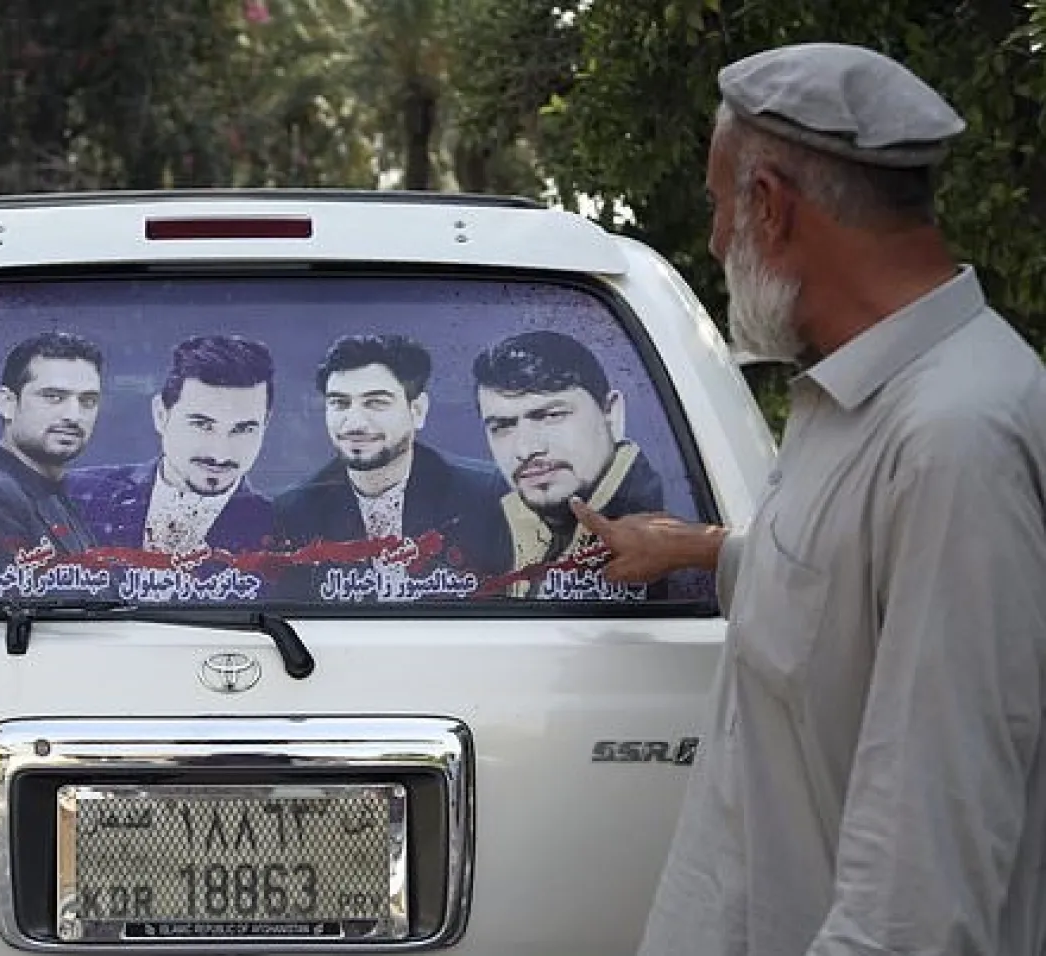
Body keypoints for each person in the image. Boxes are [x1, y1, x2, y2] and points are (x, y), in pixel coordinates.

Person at [569, 42, 1046, 956]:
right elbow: (843, 604)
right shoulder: (851, 396)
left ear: (768, 206)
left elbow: (920, 888)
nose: (713, 242)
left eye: (717, 206)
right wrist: (701, 550)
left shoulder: (956, 438)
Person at [274, 333, 508, 579]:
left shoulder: (486, 495)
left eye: (375, 403)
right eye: (340, 404)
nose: (354, 424)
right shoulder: (295, 512)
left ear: (417, 411)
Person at [472, 329, 663, 597]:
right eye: (502, 427)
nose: (526, 449)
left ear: (611, 414)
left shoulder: (669, 541)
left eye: (551, 415)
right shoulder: (484, 536)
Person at [68, 334, 276, 555]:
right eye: (202, 425)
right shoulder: (73, 495)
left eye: (242, 429)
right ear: (160, 415)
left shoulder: (281, 528)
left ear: (265, 424)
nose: (220, 454)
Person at [0, 331, 102, 567]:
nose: (73, 416)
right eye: (53, 397)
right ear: (8, 403)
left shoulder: (51, 493)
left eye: (88, 401)